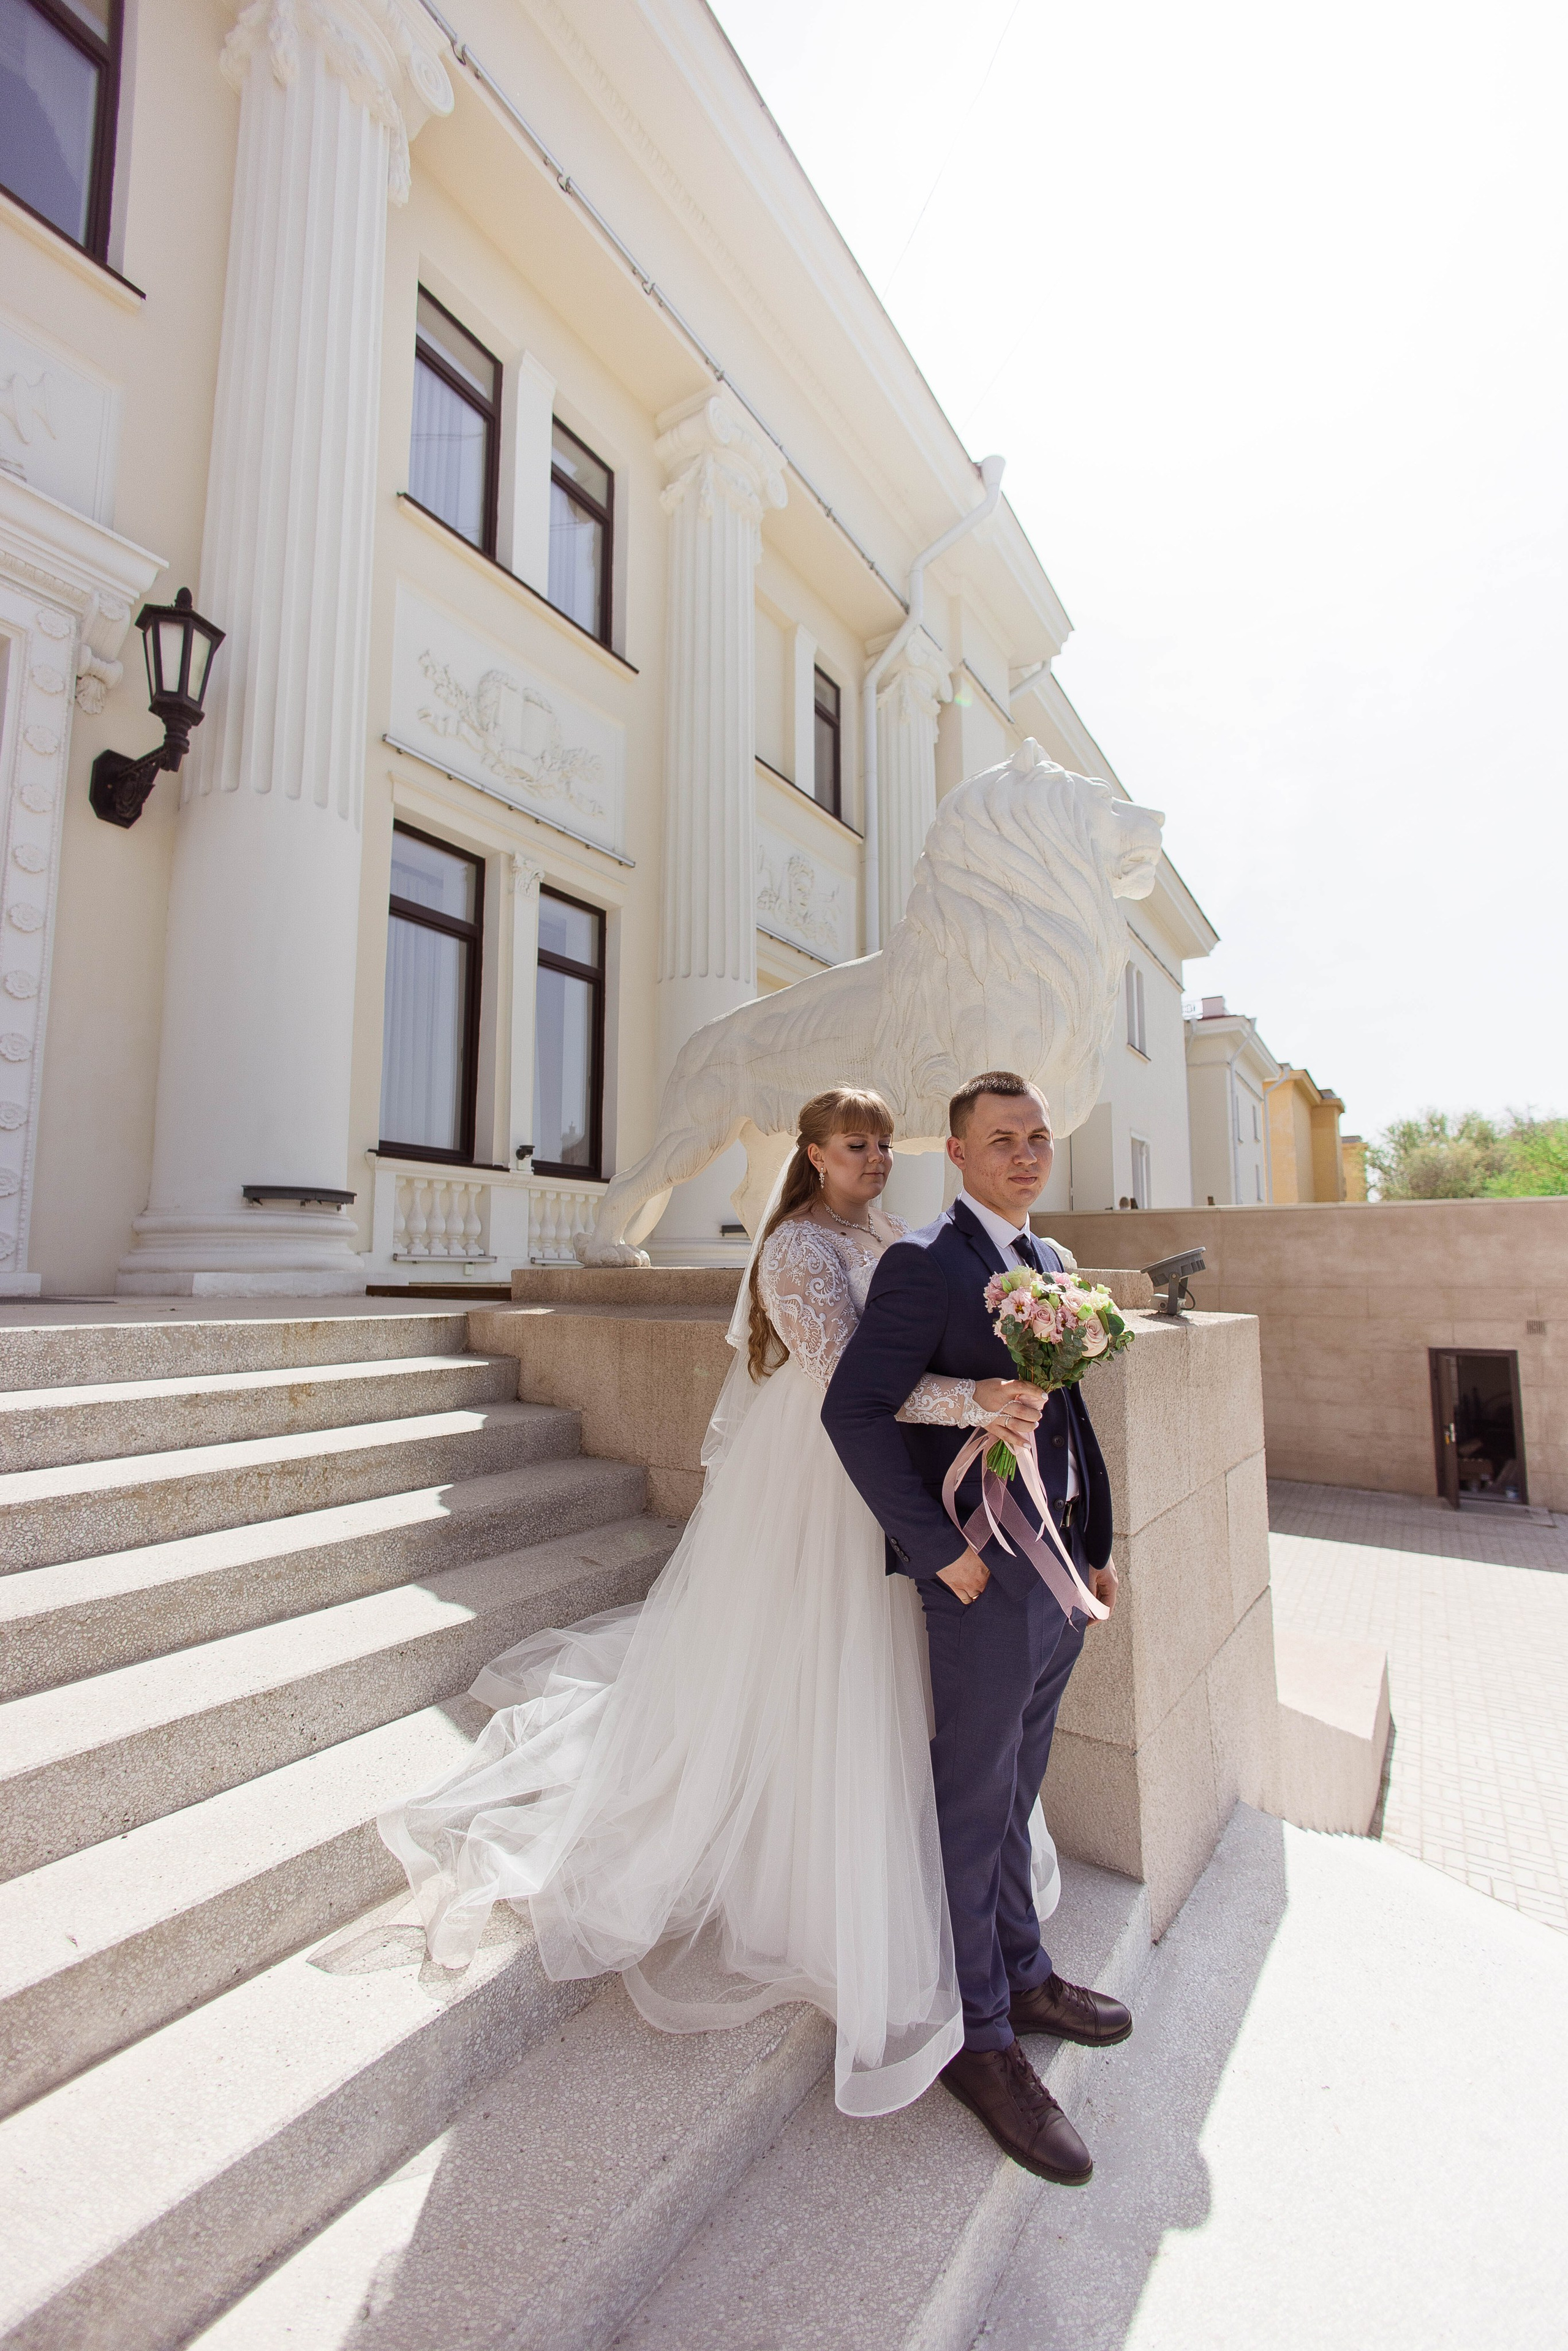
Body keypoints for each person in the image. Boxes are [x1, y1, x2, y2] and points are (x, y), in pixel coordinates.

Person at [380, 1086, 1052, 2116]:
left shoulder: (881, 1229)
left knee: (887, 1663)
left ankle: (933, 1890)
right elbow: (844, 1383)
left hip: (892, 1473)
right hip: (820, 1472)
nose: (875, 1159)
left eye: (881, 1143)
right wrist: (977, 1402)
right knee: (817, 1647)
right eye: (854, 1145)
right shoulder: (793, 1249)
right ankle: (810, 1877)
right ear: (814, 1155)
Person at [822, 1070, 1133, 2186]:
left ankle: (1028, 1972)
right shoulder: (926, 1264)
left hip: (1058, 1580)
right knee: (972, 1800)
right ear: (954, 1153)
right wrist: (938, 1552)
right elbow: (851, 1409)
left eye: (1039, 1136)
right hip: (980, 1578)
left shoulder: (1049, 1266)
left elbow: (1071, 1415)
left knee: (1018, 1786)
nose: (1027, 1153)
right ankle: (980, 2037)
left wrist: (1099, 1534)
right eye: (1003, 1138)